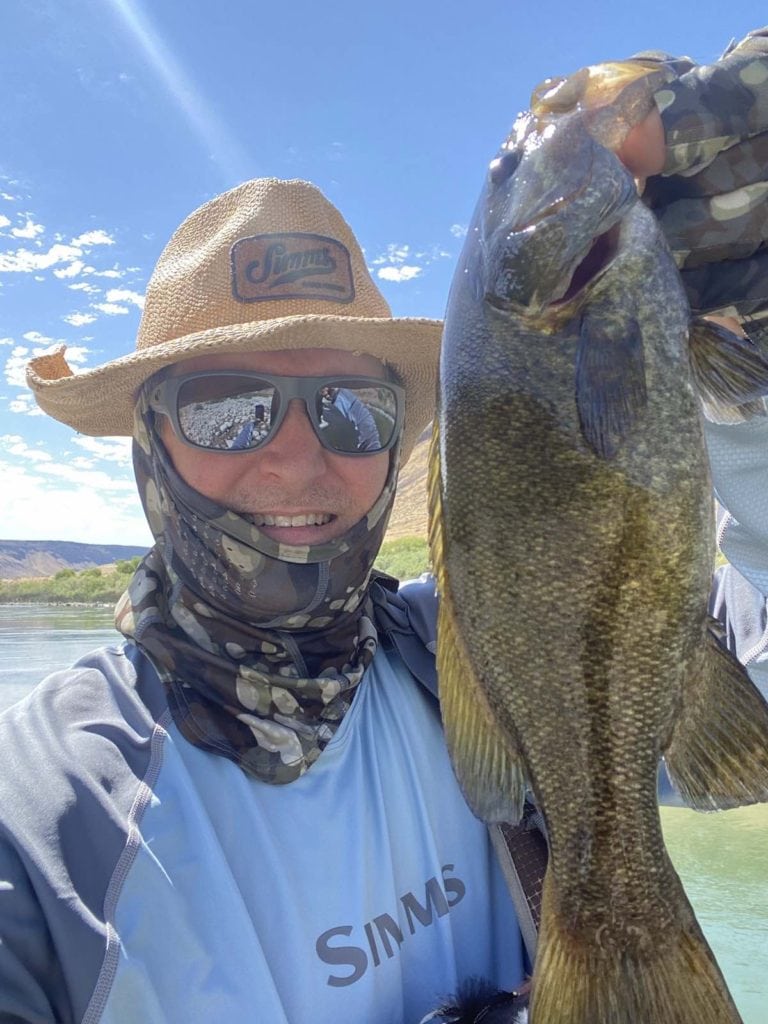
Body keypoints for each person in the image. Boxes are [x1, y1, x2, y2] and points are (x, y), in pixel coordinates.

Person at [0, 27, 767, 1024]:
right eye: (228, 406)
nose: (295, 457)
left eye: (349, 409)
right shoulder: (43, 825)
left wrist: (748, 408)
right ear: (149, 442)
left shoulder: (467, 658)